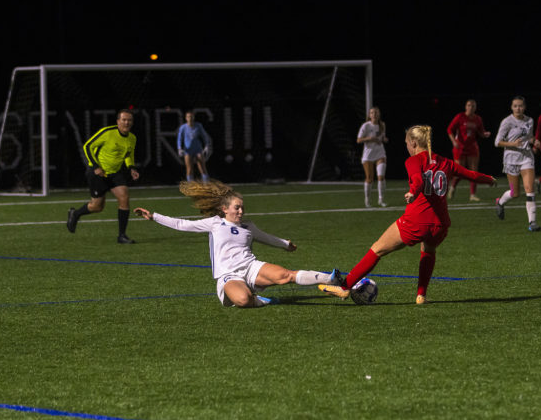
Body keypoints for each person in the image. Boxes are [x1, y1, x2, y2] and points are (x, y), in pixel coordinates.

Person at [319, 125, 496, 305]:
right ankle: (421, 295)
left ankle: (345, 287)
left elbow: (418, 180)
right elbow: (470, 174)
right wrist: (489, 179)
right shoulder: (446, 162)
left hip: (417, 221)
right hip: (440, 225)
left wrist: (413, 192)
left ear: (413, 143)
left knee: (377, 248)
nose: (406, 147)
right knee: (428, 250)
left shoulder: (413, 161)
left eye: (406, 144)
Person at [134, 180, 347, 308]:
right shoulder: (215, 224)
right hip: (229, 275)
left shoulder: (248, 227)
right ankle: (259, 299)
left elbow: (267, 238)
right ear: (225, 209)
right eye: (237, 208)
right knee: (243, 301)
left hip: (251, 266)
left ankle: (331, 277)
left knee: (285, 276)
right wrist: (154, 216)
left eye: (242, 208)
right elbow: (182, 224)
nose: (241, 211)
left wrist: (285, 244)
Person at [67, 109, 140, 244]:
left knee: (124, 197)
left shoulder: (132, 138)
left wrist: (131, 168)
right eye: (123, 120)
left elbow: (129, 155)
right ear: (118, 121)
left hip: (115, 173)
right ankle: (75, 214)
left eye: (129, 120)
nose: (126, 122)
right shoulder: (107, 133)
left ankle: (122, 236)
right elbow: (88, 146)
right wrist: (95, 166)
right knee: (97, 207)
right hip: (98, 173)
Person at [493, 96, 541, 232]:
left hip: (526, 157)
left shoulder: (530, 120)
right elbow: (497, 142)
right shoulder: (507, 122)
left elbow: (529, 136)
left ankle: (532, 222)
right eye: (515, 106)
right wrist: (512, 144)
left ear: (524, 107)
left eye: (520, 106)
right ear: (511, 107)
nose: (518, 108)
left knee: (529, 188)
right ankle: (500, 202)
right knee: (515, 193)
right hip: (511, 159)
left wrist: (534, 141)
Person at [446, 99, 491, 201]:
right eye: (469, 105)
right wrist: (454, 141)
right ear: (465, 107)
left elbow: (481, 132)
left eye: (473, 106)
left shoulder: (478, 119)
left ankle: (472, 195)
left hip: (472, 147)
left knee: (473, 172)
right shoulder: (460, 117)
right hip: (460, 147)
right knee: (460, 172)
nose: (471, 107)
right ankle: (452, 188)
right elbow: (449, 129)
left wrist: (485, 134)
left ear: (475, 108)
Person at [357, 106, 388, 207]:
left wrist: (384, 139)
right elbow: (358, 140)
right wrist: (369, 138)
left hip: (380, 153)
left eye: (376, 113)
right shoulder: (366, 126)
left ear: (379, 115)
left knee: (381, 177)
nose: (374, 114)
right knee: (369, 178)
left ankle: (381, 199)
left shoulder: (382, 125)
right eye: (372, 113)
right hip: (368, 155)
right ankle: (367, 200)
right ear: (369, 115)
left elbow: (382, 137)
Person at [177, 111, 212, 182]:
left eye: (191, 116)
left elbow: (204, 136)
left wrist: (207, 145)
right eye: (188, 117)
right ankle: (191, 186)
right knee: (189, 169)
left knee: (202, 167)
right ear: (186, 118)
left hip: (198, 149)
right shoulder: (183, 127)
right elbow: (179, 138)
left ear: (194, 117)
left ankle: (206, 184)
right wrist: (179, 148)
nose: (190, 118)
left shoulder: (198, 126)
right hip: (188, 150)